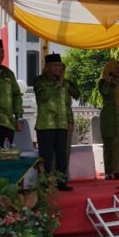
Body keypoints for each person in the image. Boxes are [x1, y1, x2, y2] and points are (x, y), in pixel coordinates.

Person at [34, 53, 80, 191]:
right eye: (56, 65)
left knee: (62, 155)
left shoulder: (65, 83)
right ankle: (45, 183)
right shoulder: (39, 81)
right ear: (48, 67)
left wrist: (65, 81)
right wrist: (57, 85)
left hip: (62, 124)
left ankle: (61, 182)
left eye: (60, 65)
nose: (59, 68)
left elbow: (76, 94)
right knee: (46, 157)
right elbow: (42, 98)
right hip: (46, 124)